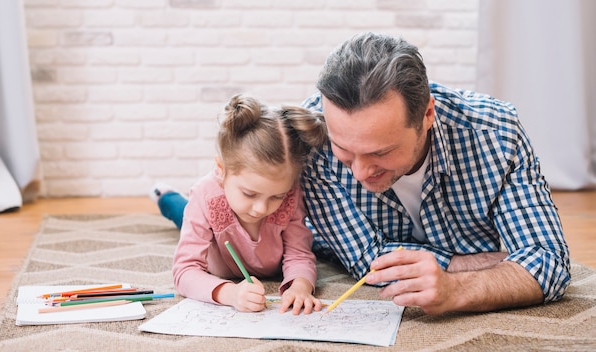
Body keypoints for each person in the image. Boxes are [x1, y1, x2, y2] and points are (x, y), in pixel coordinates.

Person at [300, 32, 570, 315]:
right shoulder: (311, 136)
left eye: (380, 153)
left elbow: (548, 262)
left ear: (428, 114)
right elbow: (367, 259)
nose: (359, 171)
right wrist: (499, 263)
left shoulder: (497, 134)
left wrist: (456, 288)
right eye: (343, 149)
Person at [154, 93, 327, 314]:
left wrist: (301, 287)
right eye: (249, 194)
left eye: (276, 197)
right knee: (182, 211)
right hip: (206, 222)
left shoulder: (291, 194)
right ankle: (166, 197)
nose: (261, 209)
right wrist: (230, 294)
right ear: (221, 169)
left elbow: (299, 253)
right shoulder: (204, 195)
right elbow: (184, 271)